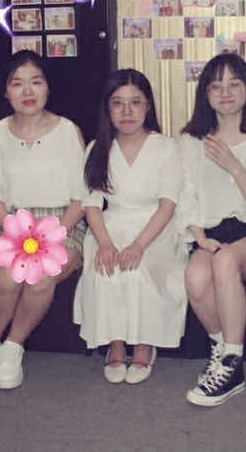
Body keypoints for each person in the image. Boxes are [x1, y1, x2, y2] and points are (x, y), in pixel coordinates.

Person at [0, 51, 87, 389]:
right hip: (14, 222)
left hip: (63, 223)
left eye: (36, 82)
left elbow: (81, 199)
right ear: (6, 91)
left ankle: (13, 346)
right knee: (8, 276)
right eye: (17, 83)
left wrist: (54, 234)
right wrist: (16, 231)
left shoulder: (68, 131)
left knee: (40, 275)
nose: (27, 91)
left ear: (47, 87)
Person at [177, 53, 246, 407]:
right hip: (209, 233)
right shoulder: (191, 141)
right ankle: (221, 347)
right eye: (216, 85)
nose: (225, 92)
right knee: (195, 278)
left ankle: (231, 363)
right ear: (205, 94)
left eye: (234, 83)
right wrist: (199, 237)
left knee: (225, 262)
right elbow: (185, 195)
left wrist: (233, 165)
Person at [74, 70, 186, 384]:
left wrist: (138, 245)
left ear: (147, 105)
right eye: (118, 103)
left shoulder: (165, 147)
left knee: (138, 268)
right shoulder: (97, 148)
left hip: (155, 228)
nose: (127, 112)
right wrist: (105, 243)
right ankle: (115, 342)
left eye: (135, 102)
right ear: (107, 108)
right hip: (109, 226)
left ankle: (145, 344)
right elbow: (91, 204)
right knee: (107, 268)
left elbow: (167, 205)